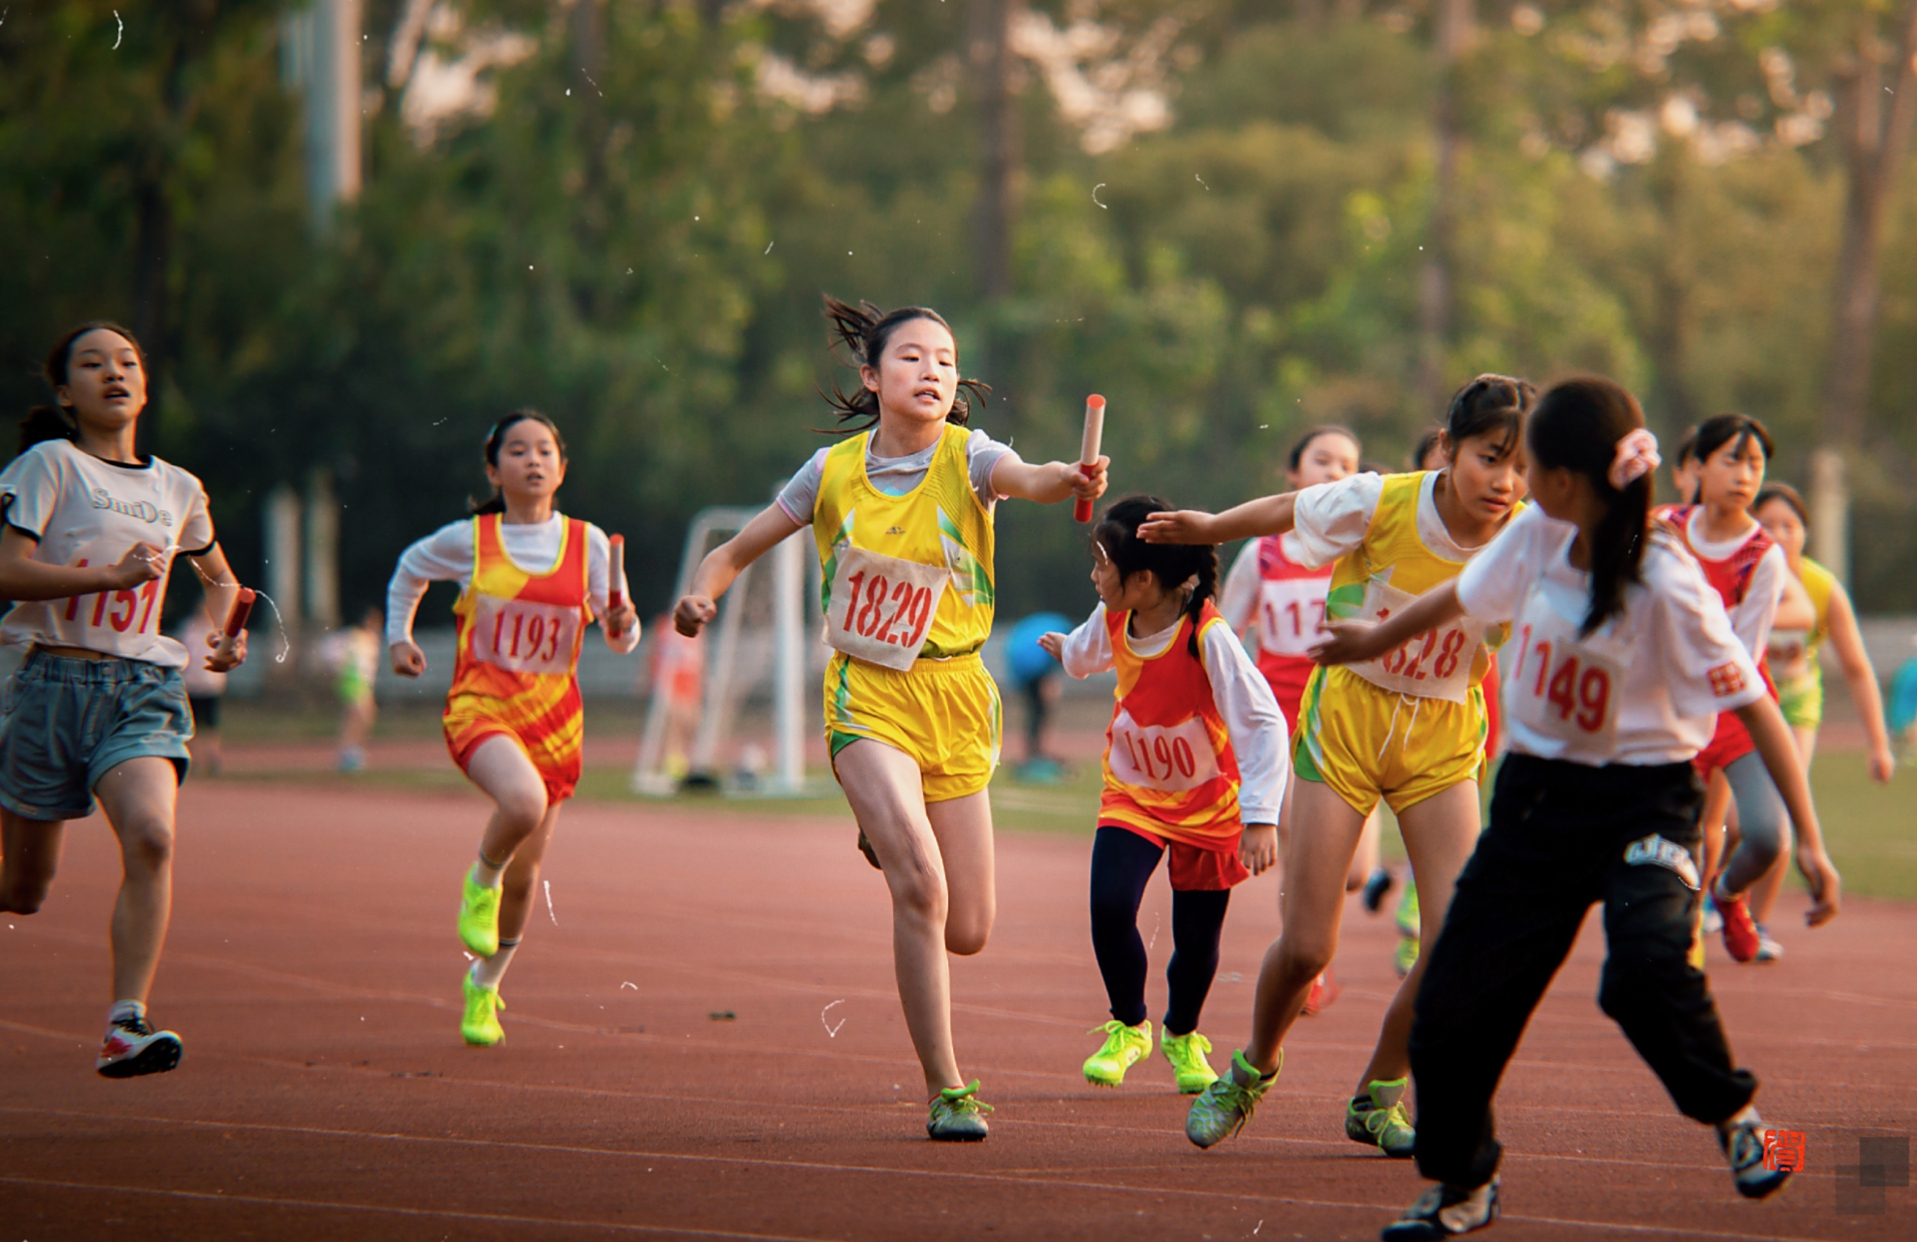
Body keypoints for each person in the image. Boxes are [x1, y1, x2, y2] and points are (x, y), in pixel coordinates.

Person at [1311, 378, 1838, 1239]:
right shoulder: (1538, 541)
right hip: (1536, 806)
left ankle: (1747, 1128)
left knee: (1642, 976)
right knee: (1449, 1005)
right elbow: (1465, 593)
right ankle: (1463, 1185)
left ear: (1563, 479)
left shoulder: (1669, 583)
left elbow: (1754, 707)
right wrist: (1372, 636)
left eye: (1532, 465)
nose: (1516, 480)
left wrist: (1808, 843)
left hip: (1644, 808)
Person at [672, 296, 1106, 1140]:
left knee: (968, 928)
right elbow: (731, 552)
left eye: (945, 360)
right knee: (921, 881)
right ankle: (947, 1088)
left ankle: (887, 825)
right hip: (868, 697)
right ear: (871, 379)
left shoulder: (974, 457)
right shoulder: (830, 472)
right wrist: (700, 596)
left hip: (954, 696)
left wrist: (1069, 478)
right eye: (911, 358)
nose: (932, 372)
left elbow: (1036, 479)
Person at [1142, 375, 1532, 1159]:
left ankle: (1379, 1090)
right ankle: (1252, 1067)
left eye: (1522, 467)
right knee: (1307, 948)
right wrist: (1212, 524)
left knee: (1453, 941)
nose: (1506, 482)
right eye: (1491, 459)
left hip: (1443, 738)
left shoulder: (1531, 531)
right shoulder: (1382, 500)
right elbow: (1289, 510)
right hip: (1346, 723)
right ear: (1449, 449)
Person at [0, 322, 249, 1077]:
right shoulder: (47, 466)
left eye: (128, 361)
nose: (114, 373)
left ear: (145, 384)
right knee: (23, 889)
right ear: (65, 393)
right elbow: (7, 571)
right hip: (48, 684)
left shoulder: (178, 488)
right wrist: (107, 578)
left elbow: (221, 582)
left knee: (152, 836)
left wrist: (228, 633)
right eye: (92, 363)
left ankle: (124, 1024)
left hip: (141, 687)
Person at [387, 410, 639, 1047]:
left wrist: (621, 620)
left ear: (561, 466)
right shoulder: (472, 540)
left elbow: (621, 639)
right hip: (482, 705)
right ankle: (480, 879)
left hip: (555, 722)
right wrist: (398, 637)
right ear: (494, 470)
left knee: (529, 877)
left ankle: (486, 983)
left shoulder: (588, 544)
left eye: (545, 450)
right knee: (520, 804)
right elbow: (409, 569)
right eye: (517, 451)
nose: (533, 460)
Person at [1041, 496, 1286, 1094]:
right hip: (1134, 793)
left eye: (1103, 564)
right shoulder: (1115, 617)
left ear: (1144, 579)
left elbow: (1263, 724)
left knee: (1196, 943)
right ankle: (1129, 1025)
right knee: (1109, 905)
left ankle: (1182, 1033)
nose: (1095, 576)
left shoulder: (1210, 638)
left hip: (1208, 806)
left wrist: (1260, 818)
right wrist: (1068, 654)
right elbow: (1086, 652)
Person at [1217, 424, 1369, 1014]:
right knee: (1304, 849)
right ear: (1293, 474)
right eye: (1323, 460)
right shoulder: (1264, 553)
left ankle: (1307, 952)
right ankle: (1308, 965)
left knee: (1353, 874)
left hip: (1348, 715)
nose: (1335, 473)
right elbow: (1226, 634)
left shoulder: (1362, 548)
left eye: (1348, 464)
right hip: (1280, 721)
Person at [1653, 414, 1813, 964]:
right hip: (1671, 710)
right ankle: (1683, 936)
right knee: (1687, 836)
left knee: (1769, 838)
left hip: (1737, 709)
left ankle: (1728, 896)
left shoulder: (1761, 555)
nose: (1745, 475)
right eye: (1731, 460)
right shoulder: (1663, 528)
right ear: (1696, 467)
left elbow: (1745, 655)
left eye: (1755, 464)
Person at [1745, 483, 1894, 957]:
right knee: (1728, 818)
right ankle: (1714, 900)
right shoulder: (1738, 574)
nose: (1778, 534)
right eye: (1766, 524)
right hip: (1740, 705)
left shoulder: (1821, 588)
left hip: (1794, 706)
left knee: (1784, 814)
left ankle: (1757, 923)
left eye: (1789, 526)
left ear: (1804, 533)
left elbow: (1856, 668)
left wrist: (1879, 744)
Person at [1004, 610, 1072, 782]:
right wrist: (1048, 680)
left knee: (1034, 712)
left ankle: (1033, 753)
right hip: (1033, 666)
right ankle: (1037, 755)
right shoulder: (1066, 630)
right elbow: (1056, 653)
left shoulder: (1052, 624)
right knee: (1040, 712)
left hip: (1019, 664)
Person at [323, 606, 383, 773]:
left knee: (361, 716)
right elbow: (329, 652)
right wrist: (338, 669)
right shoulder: (354, 636)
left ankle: (352, 750)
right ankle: (349, 753)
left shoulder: (371, 639)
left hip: (364, 682)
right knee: (358, 716)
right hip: (352, 680)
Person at [177, 603, 227, 776]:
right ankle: (195, 759)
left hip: (210, 683)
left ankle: (213, 757)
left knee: (211, 724)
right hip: (193, 683)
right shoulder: (189, 628)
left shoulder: (215, 628)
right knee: (194, 725)